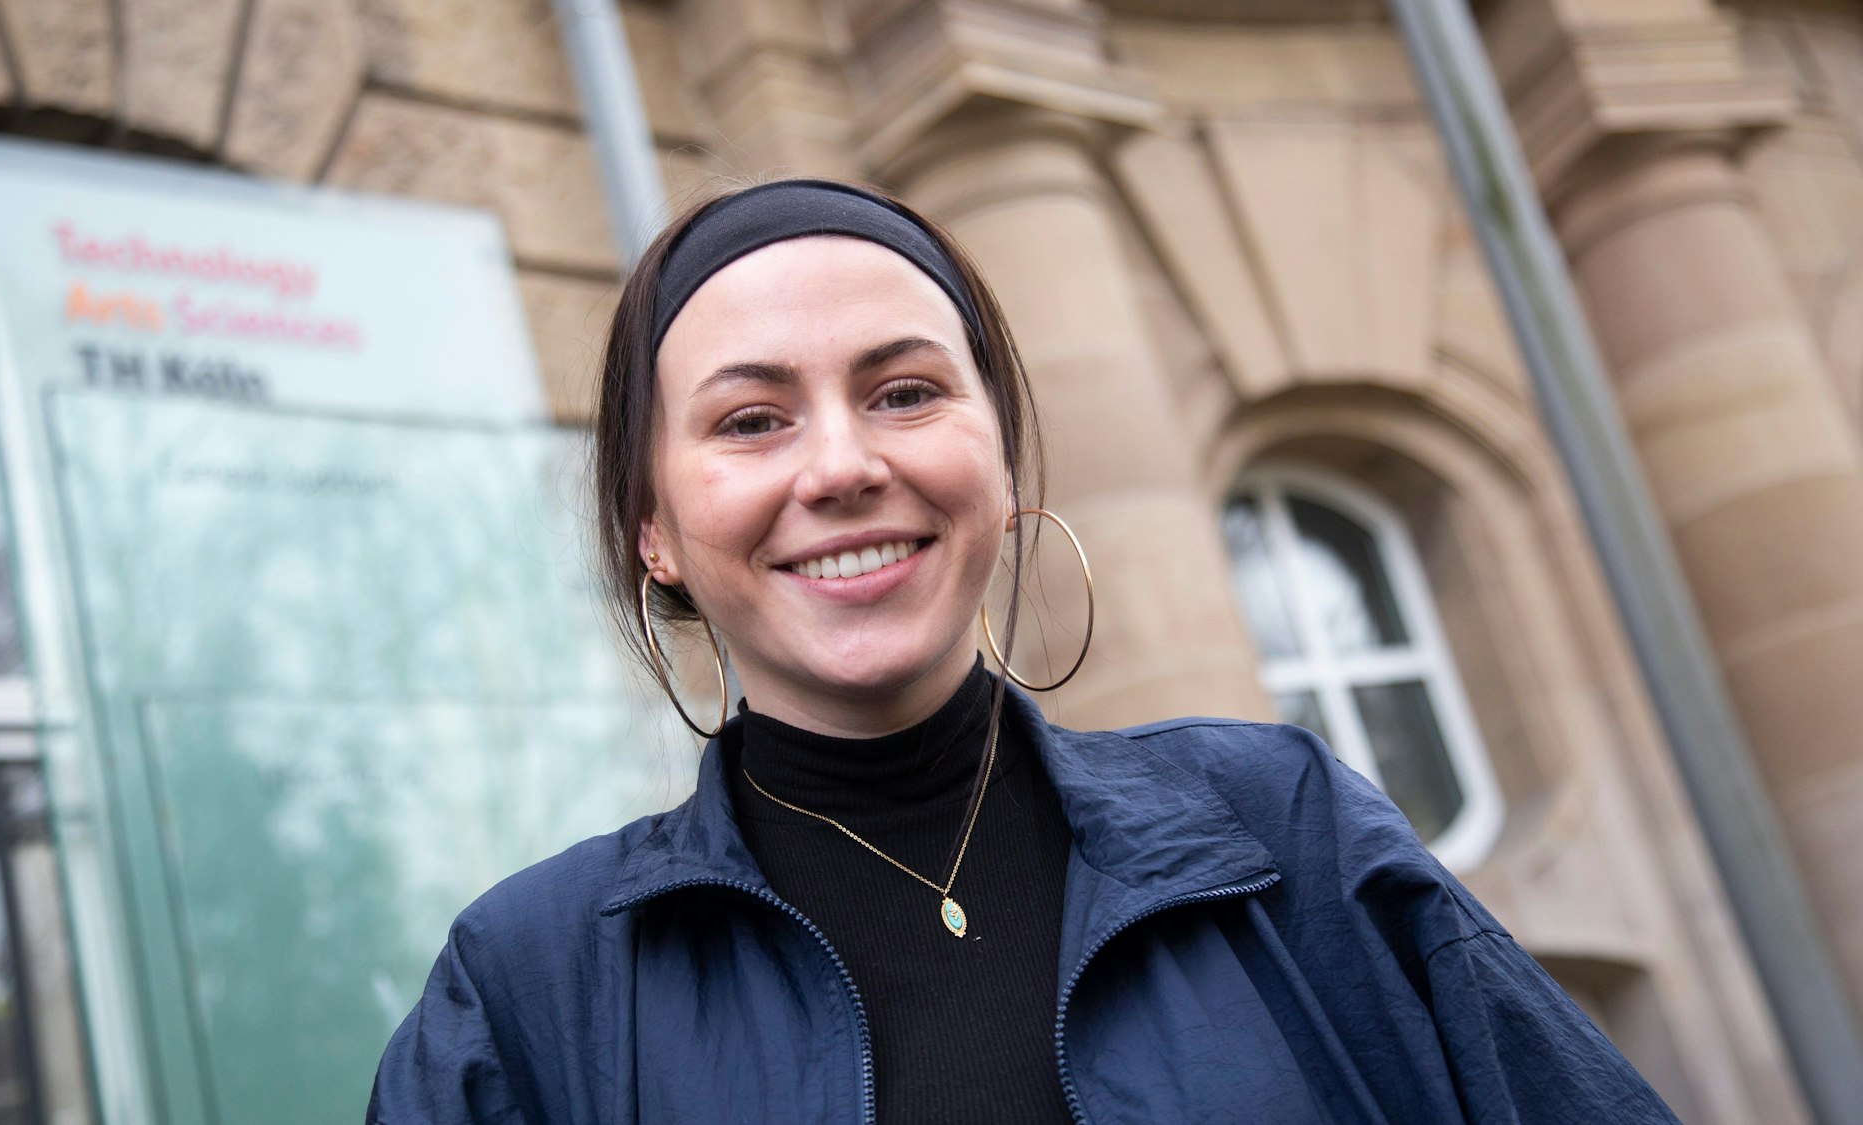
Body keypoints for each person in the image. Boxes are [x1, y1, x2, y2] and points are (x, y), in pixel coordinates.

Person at [366, 178, 1678, 1124]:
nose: (844, 465)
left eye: (905, 392)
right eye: (753, 419)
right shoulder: (532, 985)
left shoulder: (1287, 830)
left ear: (998, 463)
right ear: (652, 529)